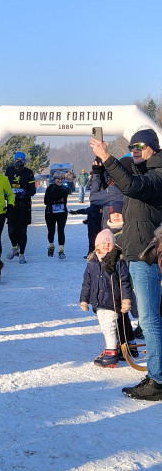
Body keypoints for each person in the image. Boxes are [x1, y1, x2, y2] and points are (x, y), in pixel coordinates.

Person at [90, 129, 162, 401]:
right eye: (131, 145)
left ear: (153, 147)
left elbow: (132, 187)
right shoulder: (140, 169)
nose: (134, 148)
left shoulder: (157, 175)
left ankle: (157, 380)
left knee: (149, 320)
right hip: (134, 251)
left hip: (148, 255)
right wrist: (117, 249)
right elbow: (123, 189)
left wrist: (108, 157)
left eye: (140, 145)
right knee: (147, 318)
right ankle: (157, 373)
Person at [80, 228, 136, 367]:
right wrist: (84, 299)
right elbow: (87, 283)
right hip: (98, 302)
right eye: (103, 243)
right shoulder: (92, 262)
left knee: (108, 327)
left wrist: (126, 300)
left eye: (109, 243)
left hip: (113, 301)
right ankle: (121, 347)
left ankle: (111, 352)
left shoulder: (118, 262)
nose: (106, 245)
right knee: (111, 326)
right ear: (97, 245)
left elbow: (124, 282)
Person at [4, 152, 36, 264]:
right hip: (12, 205)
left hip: (24, 206)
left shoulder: (29, 172)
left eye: (21, 160)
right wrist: (5, 194)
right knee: (11, 230)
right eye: (17, 159)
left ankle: (22, 254)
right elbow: (5, 186)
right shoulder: (9, 171)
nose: (19, 162)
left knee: (22, 231)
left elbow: (33, 190)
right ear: (14, 160)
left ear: (24, 161)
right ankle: (14, 246)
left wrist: (23, 193)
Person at [44, 172, 69, 258]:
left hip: (62, 213)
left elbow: (64, 200)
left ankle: (61, 250)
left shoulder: (65, 189)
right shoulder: (50, 188)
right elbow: (46, 201)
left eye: (62, 178)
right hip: (50, 213)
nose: (60, 180)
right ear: (54, 179)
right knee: (51, 231)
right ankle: (51, 246)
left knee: (61, 230)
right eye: (58, 178)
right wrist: (56, 201)